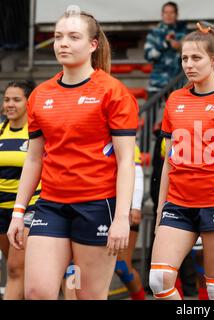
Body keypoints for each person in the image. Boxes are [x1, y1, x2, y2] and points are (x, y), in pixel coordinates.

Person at [7, 10, 138, 300]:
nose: (62, 43)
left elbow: (126, 161)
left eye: (73, 37)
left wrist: (121, 218)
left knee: (85, 295)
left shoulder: (113, 93)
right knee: (37, 292)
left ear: (93, 45)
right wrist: (19, 212)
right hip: (51, 206)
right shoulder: (40, 95)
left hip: (96, 208)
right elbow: (34, 159)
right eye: (58, 37)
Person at [149, 23, 214, 300]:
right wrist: (161, 209)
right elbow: (169, 162)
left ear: (213, 59)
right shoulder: (175, 100)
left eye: (196, 58)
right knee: (159, 280)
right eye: (184, 58)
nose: (189, 64)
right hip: (178, 204)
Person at [0, 80, 39, 299]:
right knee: (16, 268)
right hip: (1, 208)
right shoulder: (0, 131)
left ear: (28, 102)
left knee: (15, 267)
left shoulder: (35, 132)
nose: (10, 104)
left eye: (16, 99)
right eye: (6, 99)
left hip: (27, 208)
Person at [114, 144, 146, 300]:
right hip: (99, 209)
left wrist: (136, 207)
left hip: (125, 212)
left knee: (122, 268)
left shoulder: (126, 140)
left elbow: (138, 173)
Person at [144, 1, 188, 93]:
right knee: (151, 107)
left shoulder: (184, 33)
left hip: (179, 85)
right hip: (157, 84)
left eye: (171, 12)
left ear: (176, 15)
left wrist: (181, 48)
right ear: (162, 14)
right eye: (166, 12)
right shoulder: (154, 33)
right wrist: (165, 44)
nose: (168, 15)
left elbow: (192, 56)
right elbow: (148, 56)